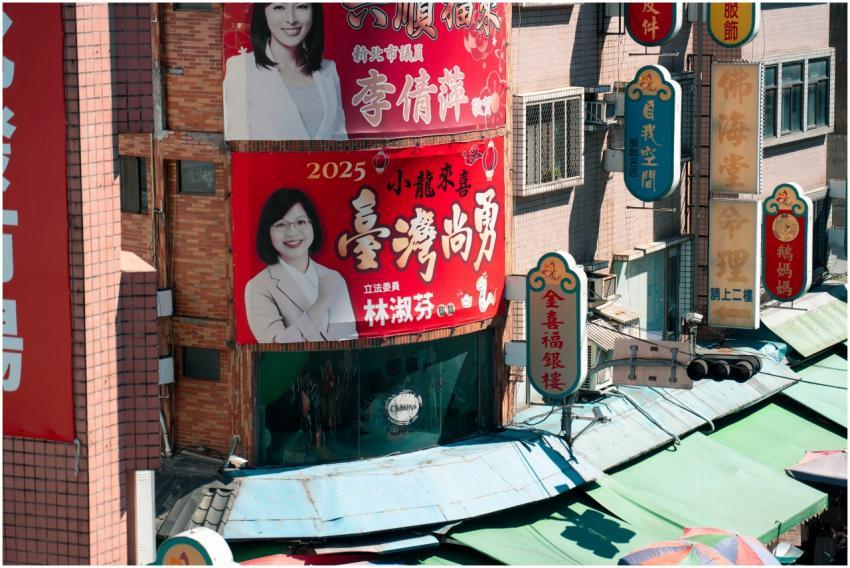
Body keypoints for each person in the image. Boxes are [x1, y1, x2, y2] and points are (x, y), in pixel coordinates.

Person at [245, 189, 357, 343]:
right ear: (268, 232)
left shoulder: (334, 278)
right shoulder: (259, 287)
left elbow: (349, 338)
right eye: (280, 224)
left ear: (313, 225)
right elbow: (275, 346)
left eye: (300, 222)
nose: (292, 232)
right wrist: (321, 303)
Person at [224, 3, 347, 140]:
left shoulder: (329, 70)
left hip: (324, 162)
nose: (291, 19)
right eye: (279, 7)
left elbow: (340, 139)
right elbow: (237, 143)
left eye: (301, 7)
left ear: (314, 11)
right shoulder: (241, 68)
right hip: (268, 162)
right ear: (263, 13)